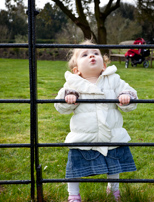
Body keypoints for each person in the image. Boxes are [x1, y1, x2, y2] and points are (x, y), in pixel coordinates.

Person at [54, 40, 138, 202]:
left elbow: (129, 93)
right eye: (85, 55)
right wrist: (68, 98)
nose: (91, 55)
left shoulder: (113, 80)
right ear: (76, 70)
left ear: (104, 66)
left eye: (96, 53)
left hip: (111, 134)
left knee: (113, 165)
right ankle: (73, 195)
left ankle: (114, 191)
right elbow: (60, 107)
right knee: (74, 167)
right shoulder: (72, 84)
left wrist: (126, 96)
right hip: (84, 137)